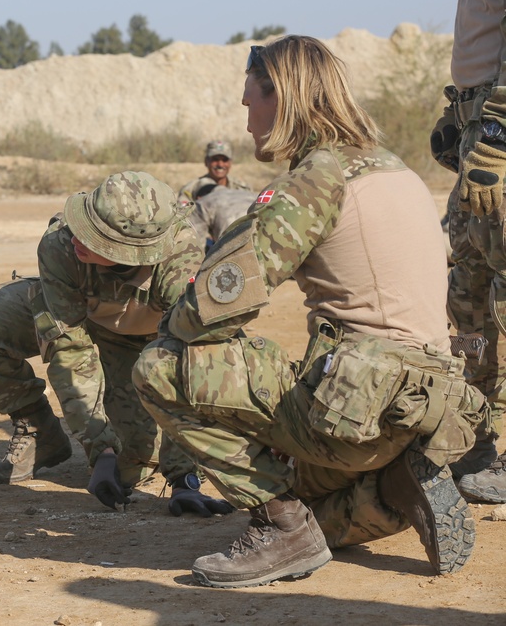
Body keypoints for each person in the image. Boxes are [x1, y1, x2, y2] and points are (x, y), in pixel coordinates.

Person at [133, 36, 489, 588]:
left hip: (357, 405)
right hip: (428, 409)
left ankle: (281, 528)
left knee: (157, 366)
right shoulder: (394, 169)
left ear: (284, 97)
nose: (247, 116)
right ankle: (391, 490)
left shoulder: (315, 179)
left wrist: (172, 326)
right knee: (309, 501)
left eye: (251, 99)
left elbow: (214, 305)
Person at [0, 171, 232, 516]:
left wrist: (183, 476)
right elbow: (70, 349)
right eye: (86, 224)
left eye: (97, 238)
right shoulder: (61, 243)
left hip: (140, 339)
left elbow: (190, 359)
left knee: (133, 468)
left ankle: (150, 445)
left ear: (134, 252)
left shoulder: (180, 259)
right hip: (76, 312)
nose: (79, 236)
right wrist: (101, 450)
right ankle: (41, 434)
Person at [430, 0, 506, 503]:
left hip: (496, 129)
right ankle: (476, 441)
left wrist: (498, 129)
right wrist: (463, 117)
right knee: (467, 294)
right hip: (477, 121)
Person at [176, 140, 252, 204]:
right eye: (215, 159)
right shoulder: (191, 189)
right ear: (206, 161)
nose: (220, 164)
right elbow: (182, 216)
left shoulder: (241, 189)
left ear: (230, 163)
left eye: (224, 160)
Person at [186, 185, 258, 251]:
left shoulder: (203, 201)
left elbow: (196, 243)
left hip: (233, 240)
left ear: (199, 197)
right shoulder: (247, 193)